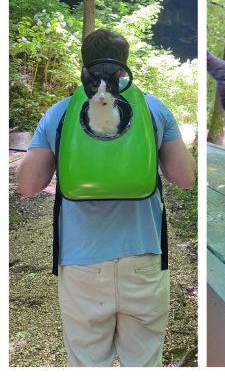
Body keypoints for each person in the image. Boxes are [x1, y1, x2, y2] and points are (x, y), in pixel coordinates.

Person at [15, 29, 195, 367]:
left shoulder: (60, 113)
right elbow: (185, 178)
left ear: (83, 67)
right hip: (145, 258)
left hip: (81, 263)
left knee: (87, 364)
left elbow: (28, 186)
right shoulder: (155, 110)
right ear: (124, 66)